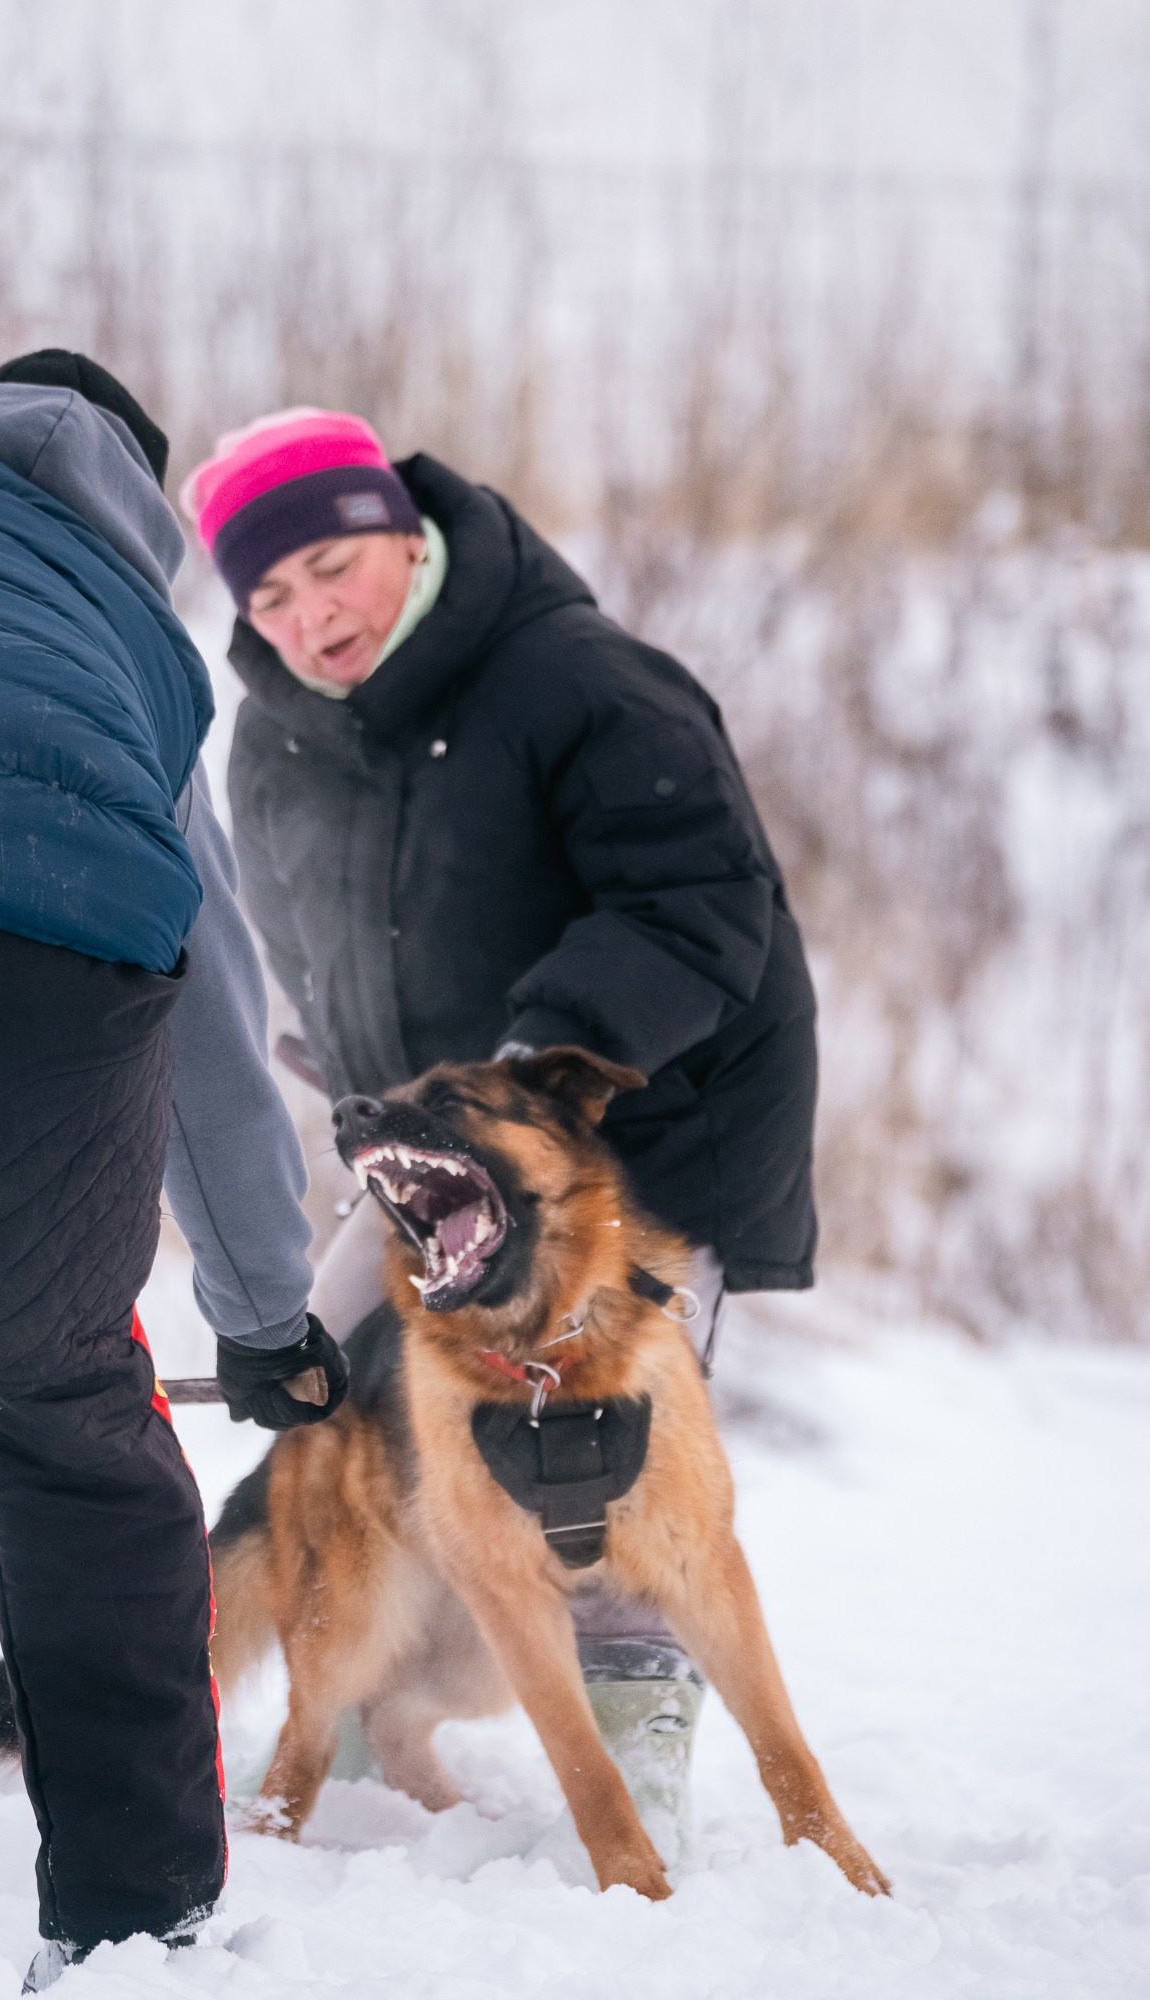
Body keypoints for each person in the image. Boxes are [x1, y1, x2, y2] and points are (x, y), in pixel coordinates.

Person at [182, 407, 820, 1792]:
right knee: (323, 1395)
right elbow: (307, 955)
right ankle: (361, 1705)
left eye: (329, 569)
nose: (306, 617)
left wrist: (541, 1059)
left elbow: (698, 904)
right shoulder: (279, 744)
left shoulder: (579, 680)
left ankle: (638, 1758)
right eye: (268, 596)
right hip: (439, 1161)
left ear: (402, 538)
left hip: (651, 1133)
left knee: (598, 1453)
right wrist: (356, 1086)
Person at [0, 355, 349, 1991]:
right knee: (69, 1424)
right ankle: (136, 1929)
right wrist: (265, 1315)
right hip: (74, 950)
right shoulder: (127, 645)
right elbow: (213, 1028)